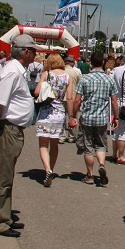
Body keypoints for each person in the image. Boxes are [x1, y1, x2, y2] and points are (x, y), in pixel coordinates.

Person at [0, 34, 37, 238]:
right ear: (26, 52)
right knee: (3, 177)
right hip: (8, 129)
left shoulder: (15, 70)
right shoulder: (11, 72)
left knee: (7, 176)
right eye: (33, 51)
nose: (35, 55)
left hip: (13, 129)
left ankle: (4, 216)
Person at [68, 52, 117, 187]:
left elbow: (77, 100)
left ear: (91, 63)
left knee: (88, 147)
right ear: (102, 63)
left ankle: (89, 175)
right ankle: (101, 164)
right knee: (101, 144)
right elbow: (114, 101)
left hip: (87, 117)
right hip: (102, 118)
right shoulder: (109, 80)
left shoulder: (85, 79)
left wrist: (73, 115)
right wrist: (116, 117)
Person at [35, 53, 74, 187]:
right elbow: (69, 98)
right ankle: (51, 168)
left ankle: (47, 169)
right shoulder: (67, 76)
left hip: (46, 112)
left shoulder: (46, 74)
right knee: (54, 144)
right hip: (59, 113)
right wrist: (72, 116)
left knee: (43, 144)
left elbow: (37, 92)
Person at [62, 54, 82, 143]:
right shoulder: (76, 72)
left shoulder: (61, 71)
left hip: (61, 97)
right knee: (73, 116)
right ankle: (72, 136)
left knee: (62, 117)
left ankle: (61, 136)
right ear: (73, 63)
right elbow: (80, 85)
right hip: (73, 96)